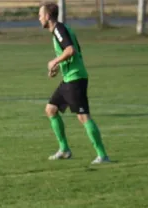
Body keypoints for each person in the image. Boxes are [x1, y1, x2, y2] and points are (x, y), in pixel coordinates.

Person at [39, 2, 109, 164]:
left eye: (40, 15)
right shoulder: (60, 30)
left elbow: (71, 50)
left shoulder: (58, 29)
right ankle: (64, 150)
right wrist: (58, 66)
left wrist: (54, 61)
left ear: (48, 16)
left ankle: (102, 155)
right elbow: (69, 54)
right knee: (51, 109)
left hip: (76, 79)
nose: (39, 18)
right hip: (69, 78)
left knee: (83, 117)